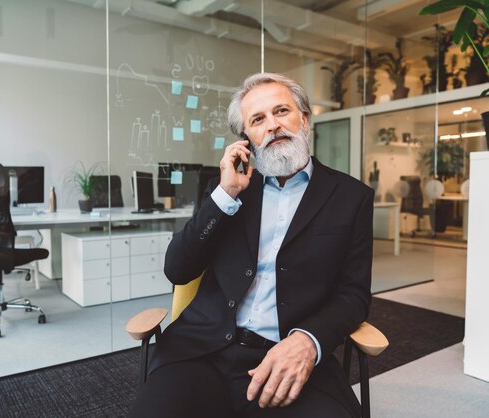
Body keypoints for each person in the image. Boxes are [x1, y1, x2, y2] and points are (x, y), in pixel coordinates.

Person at [129, 72, 374, 418]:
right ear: (248, 139)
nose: (272, 125)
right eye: (258, 119)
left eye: (281, 111)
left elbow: (354, 295)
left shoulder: (351, 198)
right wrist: (224, 196)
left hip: (287, 353)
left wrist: (307, 342)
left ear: (303, 120)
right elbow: (177, 269)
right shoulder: (228, 189)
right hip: (201, 352)